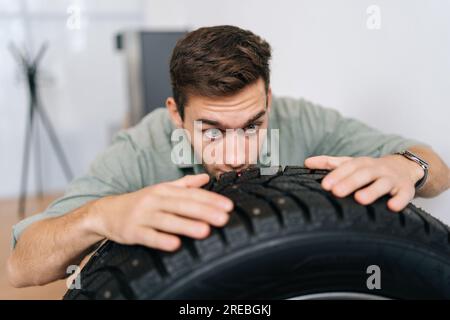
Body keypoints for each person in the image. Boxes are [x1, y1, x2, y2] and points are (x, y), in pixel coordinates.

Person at [7, 25, 449, 287]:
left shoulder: (303, 120)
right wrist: (100, 216)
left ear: (269, 101)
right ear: (176, 115)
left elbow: (438, 171)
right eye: (212, 131)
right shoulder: (140, 149)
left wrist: (407, 166)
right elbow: (20, 267)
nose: (237, 155)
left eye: (253, 126)